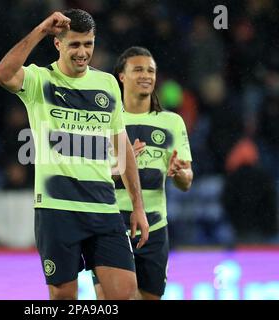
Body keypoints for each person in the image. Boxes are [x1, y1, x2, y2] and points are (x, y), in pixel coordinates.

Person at [0, 9, 149, 300]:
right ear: (58, 44)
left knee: (124, 293)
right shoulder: (40, 80)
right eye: (74, 44)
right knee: (64, 298)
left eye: (88, 44)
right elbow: (2, 74)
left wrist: (138, 206)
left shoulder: (106, 84)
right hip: (57, 210)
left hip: (103, 208)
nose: (82, 52)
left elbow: (122, 145)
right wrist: (41, 29)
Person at [93, 46, 193, 300]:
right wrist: (120, 167)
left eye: (151, 70)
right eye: (138, 69)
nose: (146, 75)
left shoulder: (172, 122)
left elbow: (187, 181)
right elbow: (90, 177)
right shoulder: (103, 121)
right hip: (110, 228)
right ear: (121, 76)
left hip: (154, 228)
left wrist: (180, 174)